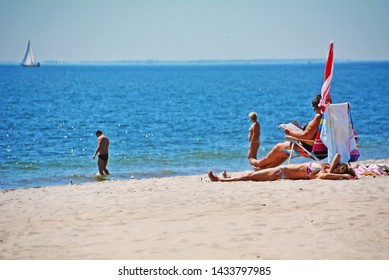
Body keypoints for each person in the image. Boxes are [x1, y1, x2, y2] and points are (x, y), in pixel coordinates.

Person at [249, 93, 323, 170]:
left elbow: (307, 135)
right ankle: (264, 168)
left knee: (279, 147)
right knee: (284, 151)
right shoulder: (331, 118)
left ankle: (258, 163)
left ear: (317, 107)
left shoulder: (318, 117)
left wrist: (289, 132)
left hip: (311, 149)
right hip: (323, 149)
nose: (314, 111)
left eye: (314, 108)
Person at [208, 153, 356, 182]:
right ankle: (229, 177)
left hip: (280, 174)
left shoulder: (320, 174)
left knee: (250, 177)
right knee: (253, 174)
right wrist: (339, 171)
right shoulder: (325, 167)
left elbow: (328, 176)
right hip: (280, 170)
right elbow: (337, 155)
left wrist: (343, 176)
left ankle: (220, 180)